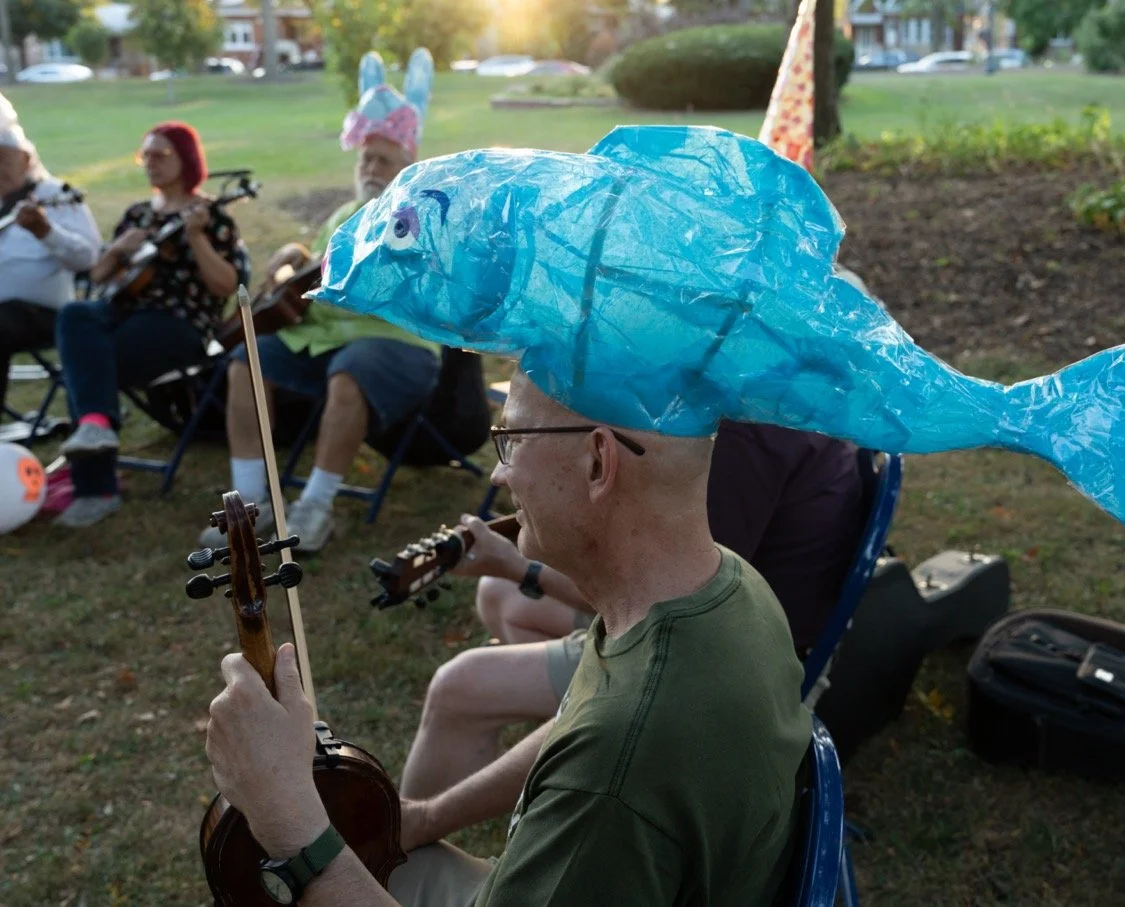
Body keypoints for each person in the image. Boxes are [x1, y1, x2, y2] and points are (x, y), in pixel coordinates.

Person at [205, 369, 813, 906]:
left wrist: (292, 826)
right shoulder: (721, 586)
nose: (498, 472)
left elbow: (605, 751)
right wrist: (428, 816)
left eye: (512, 439)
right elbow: (578, 722)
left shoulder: (617, 766)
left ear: (598, 462)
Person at [395, 419, 865, 844]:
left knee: (460, 686)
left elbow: (668, 600)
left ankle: (405, 845)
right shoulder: (779, 413)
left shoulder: (746, 437)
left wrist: (520, 564)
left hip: (726, 667)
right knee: (501, 596)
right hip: (740, 630)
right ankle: (567, 753)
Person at [196, 48, 475, 554]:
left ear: (409, 165)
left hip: (395, 343)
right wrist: (293, 254)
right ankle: (248, 503)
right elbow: (313, 265)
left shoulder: (419, 214)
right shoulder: (346, 212)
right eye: (365, 158)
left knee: (351, 371)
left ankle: (315, 507)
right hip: (320, 334)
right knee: (246, 360)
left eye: (383, 160)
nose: (370, 167)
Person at [54, 121, 242, 528]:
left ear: (186, 159)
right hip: (123, 312)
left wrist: (196, 238)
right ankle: (96, 428)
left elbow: (227, 285)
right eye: (146, 155)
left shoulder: (211, 216)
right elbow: (98, 276)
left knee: (86, 364)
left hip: (180, 323)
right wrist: (118, 249)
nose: (150, 162)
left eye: (161, 154)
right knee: (74, 315)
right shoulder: (137, 214)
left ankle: (96, 488)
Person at [0, 113, 101, 419]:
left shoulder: (57, 195)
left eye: (3, 158)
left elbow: (88, 258)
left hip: (43, 314)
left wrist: (46, 231)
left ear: (26, 158)